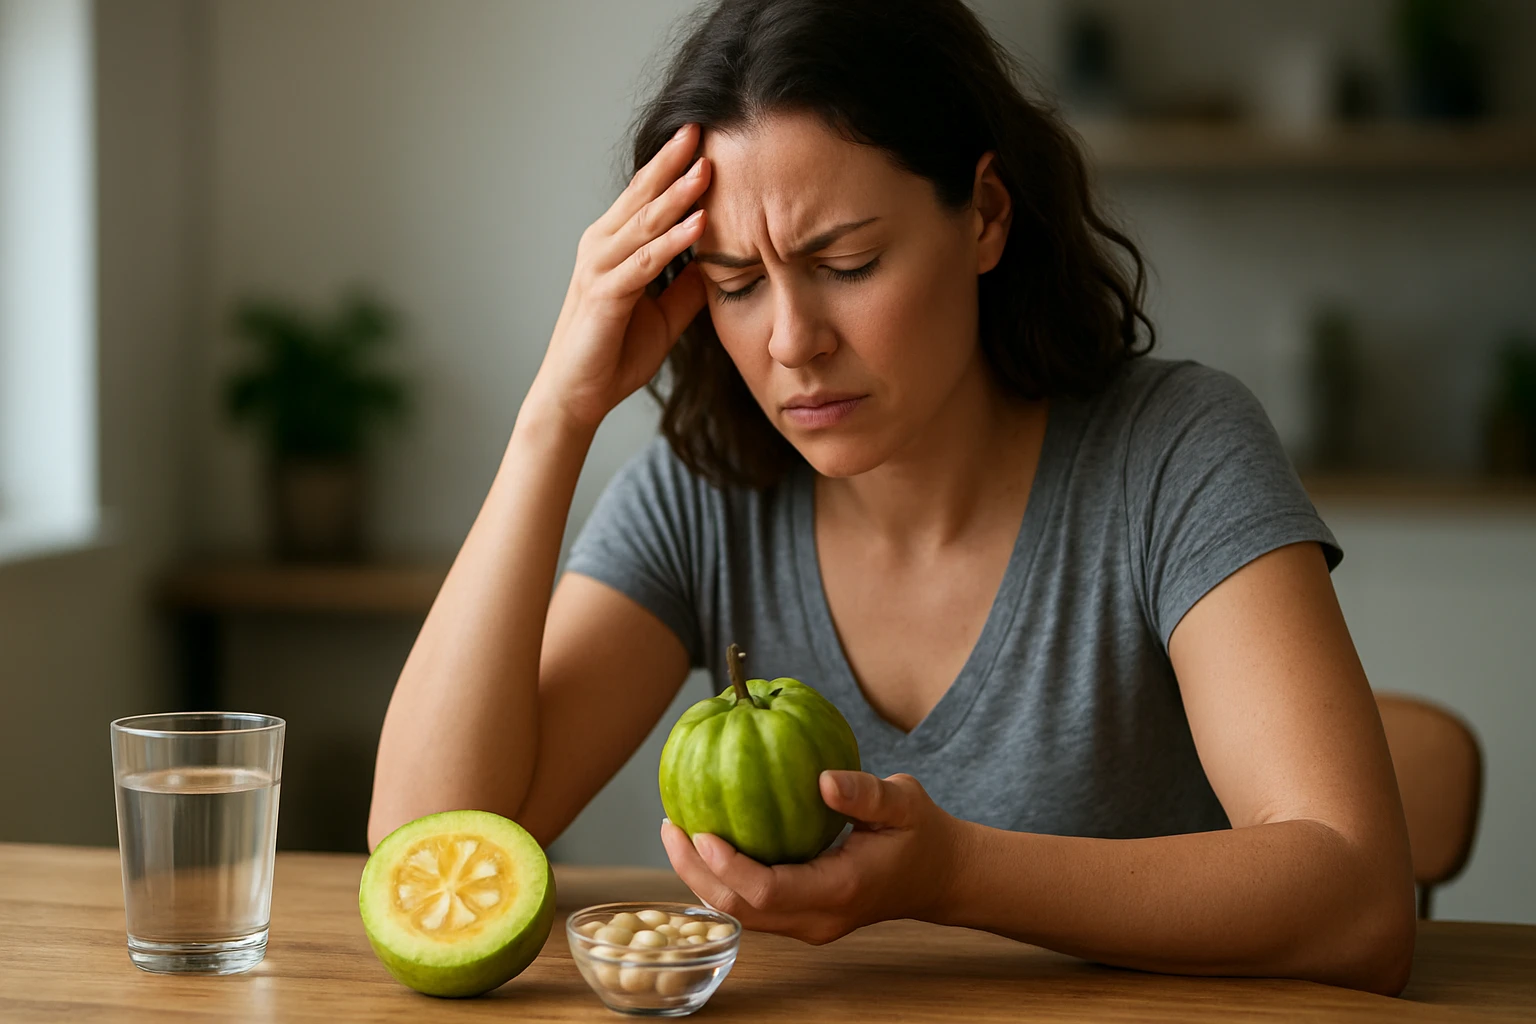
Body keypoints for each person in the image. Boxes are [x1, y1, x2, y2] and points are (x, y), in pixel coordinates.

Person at [368, 0, 1415, 995]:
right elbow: (426, 852)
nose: (791, 342)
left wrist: (956, 872)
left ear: (986, 216)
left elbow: (1361, 904)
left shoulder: (1174, 453)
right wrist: (557, 413)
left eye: (848, 261)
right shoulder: (705, 499)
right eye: (734, 283)